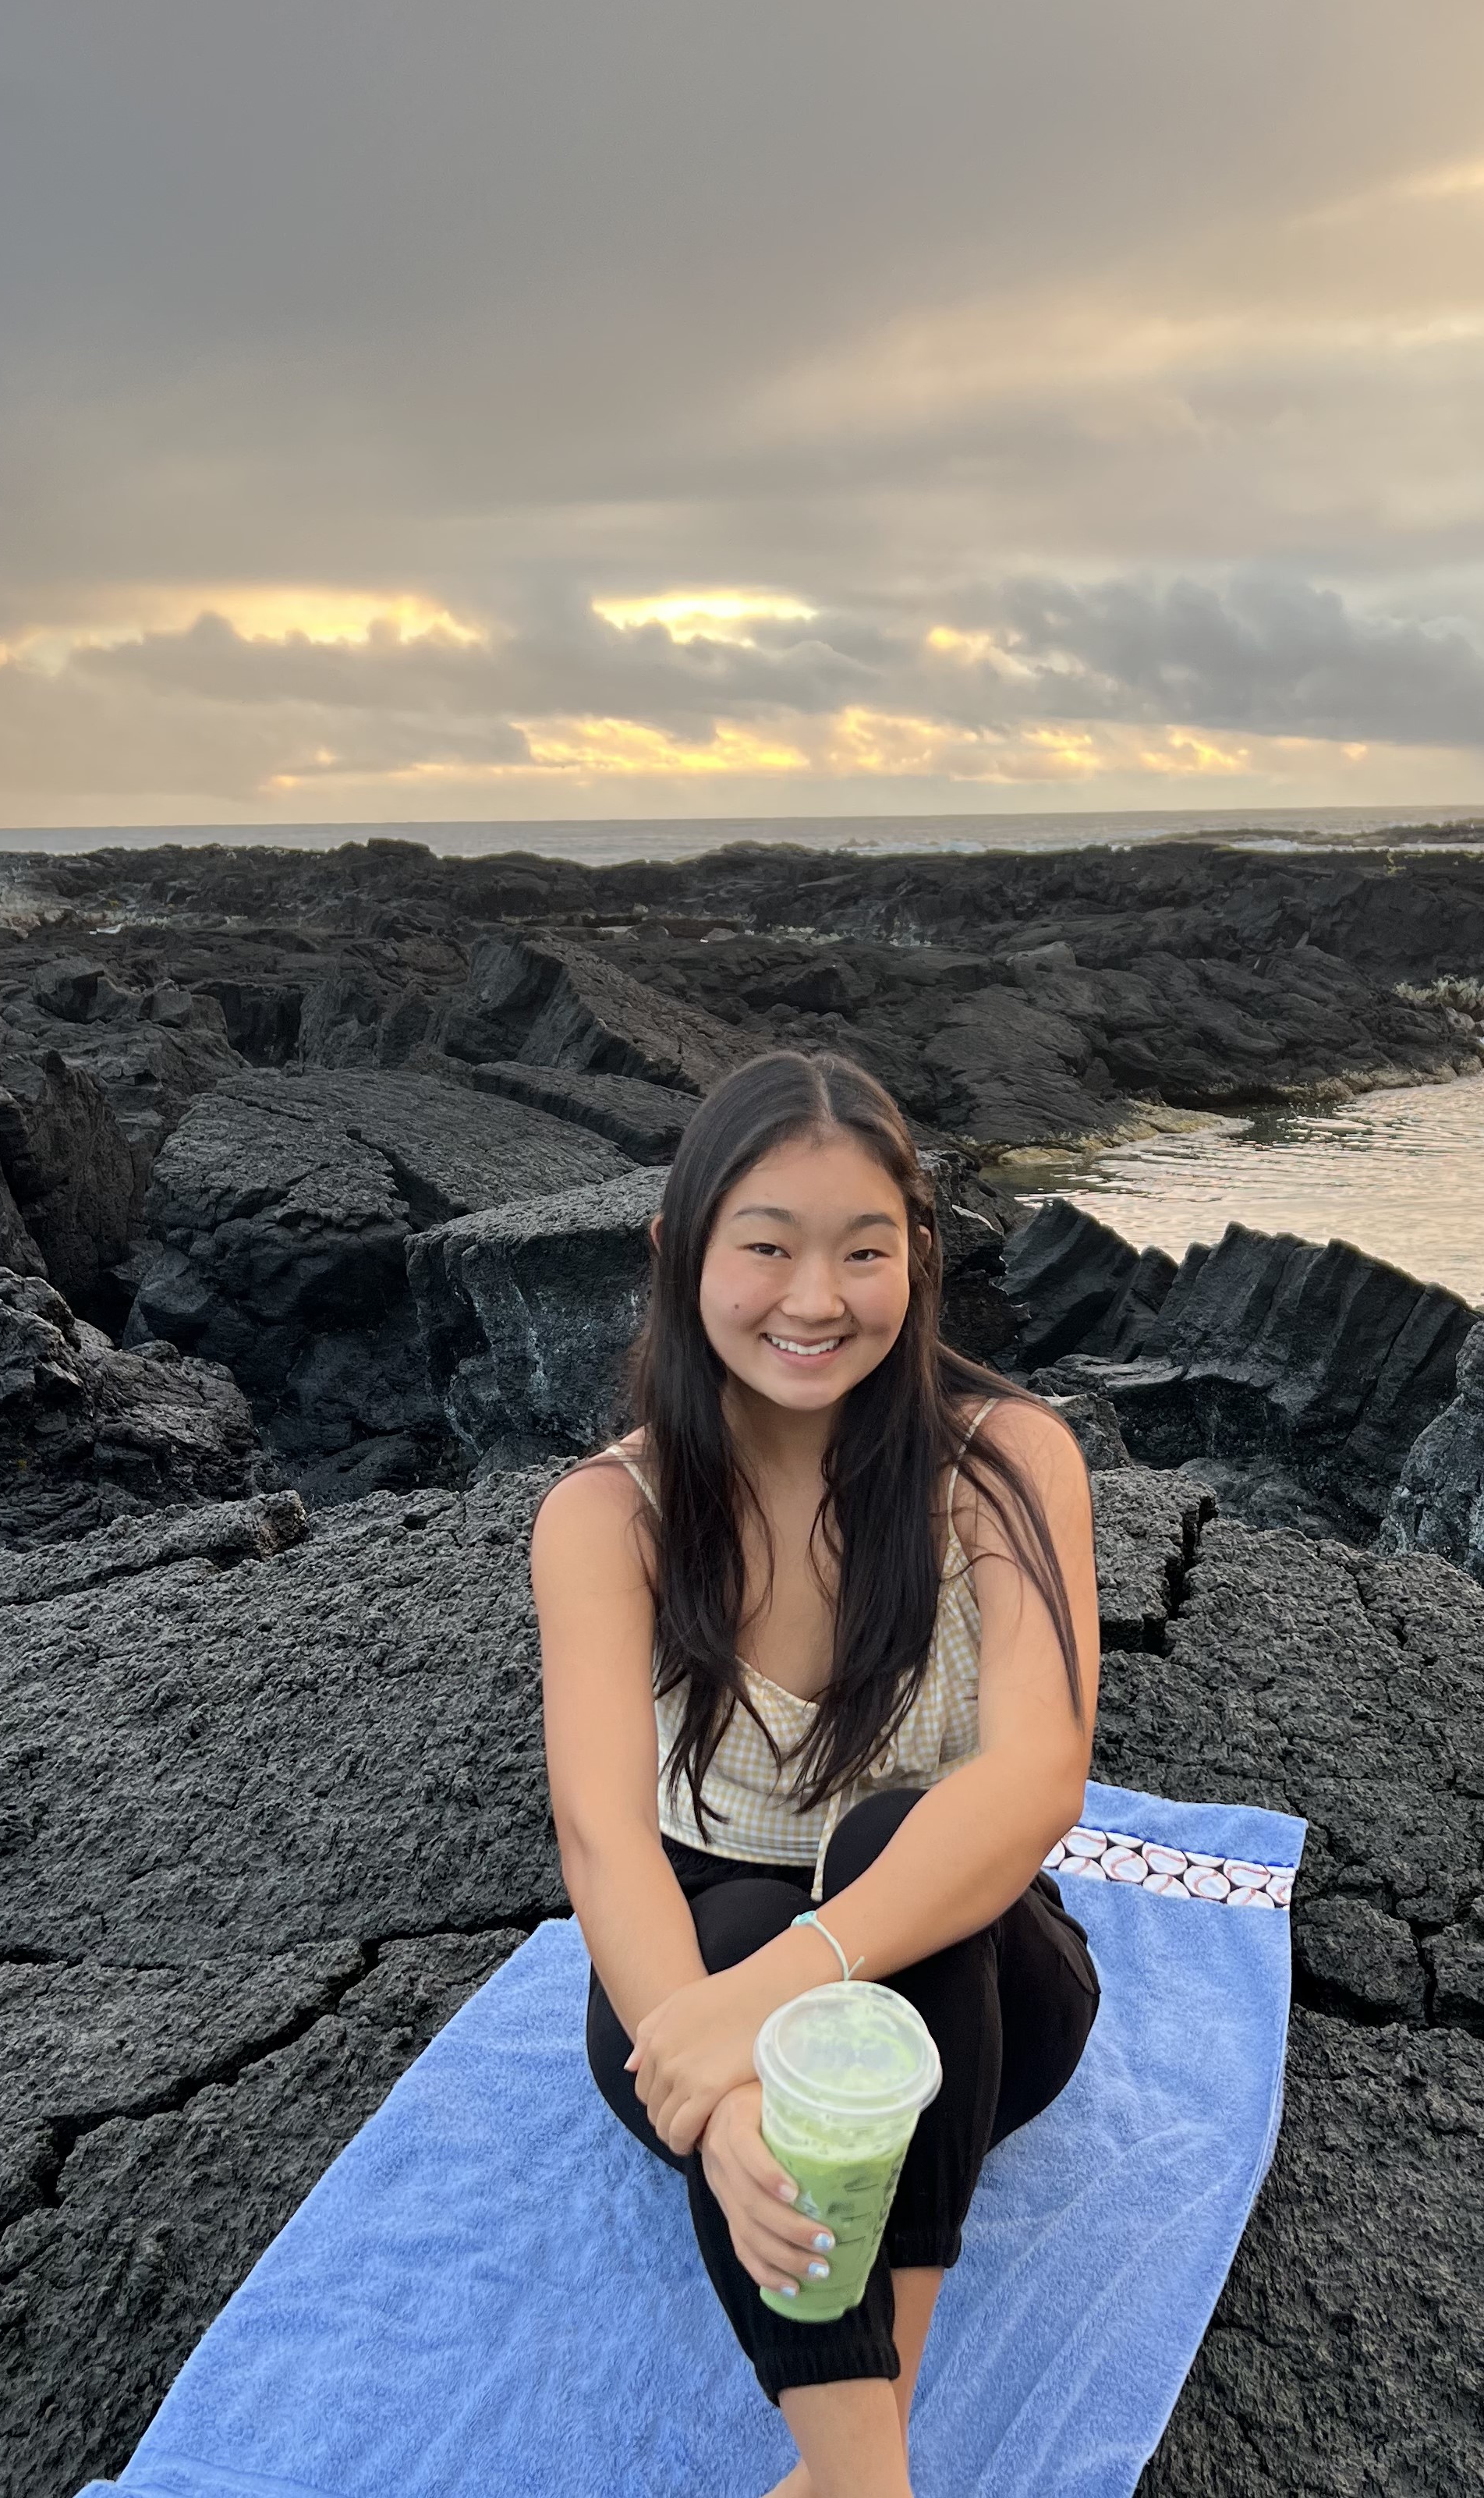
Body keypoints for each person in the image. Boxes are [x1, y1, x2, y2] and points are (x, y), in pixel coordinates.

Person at [531, 1048, 1103, 2498]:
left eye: (864, 1250)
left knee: (896, 1843)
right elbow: (606, 1842)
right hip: (693, 1993)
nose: (815, 1299)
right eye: (766, 1248)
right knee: (714, 1915)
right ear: (680, 1253)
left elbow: (1038, 1777)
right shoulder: (609, 1517)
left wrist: (776, 2007)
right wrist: (721, 2102)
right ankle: (866, 2477)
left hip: (976, 1998)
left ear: (916, 1249)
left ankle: (858, 2463)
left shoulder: (1006, 1460)